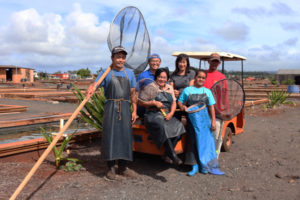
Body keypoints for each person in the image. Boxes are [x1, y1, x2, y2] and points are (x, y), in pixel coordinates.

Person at [86, 45, 137, 180]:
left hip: (126, 107)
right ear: (112, 58)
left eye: (123, 57)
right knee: (111, 136)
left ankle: (123, 168)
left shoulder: (130, 73)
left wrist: (134, 111)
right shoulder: (106, 72)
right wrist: (91, 88)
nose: (120, 60)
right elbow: (95, 84)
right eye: (118, 57)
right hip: (111, 106)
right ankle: (110, 170)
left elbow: (133, 94)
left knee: (125, 137)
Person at [178, 69, 225, 176]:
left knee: (205, 143)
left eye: (203, 78)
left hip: (204, 123)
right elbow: (180, 101)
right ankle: (194, 166)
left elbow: (212, 108)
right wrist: (183, 106)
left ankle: (204, 165)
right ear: (195, 78)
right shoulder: (188, 90)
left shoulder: (207, 92)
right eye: (199, 77)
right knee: (192, 143)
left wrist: (213, 121)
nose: (200, 79)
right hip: (191, 121)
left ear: (205, 80)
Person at [138, 68, 185, 165]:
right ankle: (173, 155)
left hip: (166, 114)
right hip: (152, 114)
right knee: (164, 127)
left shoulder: (169, 88)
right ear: (156, 77)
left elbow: (174, 103)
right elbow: (140, 102)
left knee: (180, 127)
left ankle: (167, 154)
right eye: (160, 77)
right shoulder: (150, 87)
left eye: (164, 77)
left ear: (167, 78)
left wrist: (171, 113)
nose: (162, 79)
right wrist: (153, 102)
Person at [169, 53, 195, 121]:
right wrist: (174, 92)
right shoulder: (173, 75)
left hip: (188, 100)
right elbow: (171, 88)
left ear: (187, 63)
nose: (182, 64)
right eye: (180, 62)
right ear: (177, 63)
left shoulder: (191, 73)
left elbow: (190, 89)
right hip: (176, 100)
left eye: (184, 62)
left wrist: (180, 94)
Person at [136, 53, 162, 118]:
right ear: (148, 62)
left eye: (157, 61)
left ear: (160, 62)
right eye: (153, 61)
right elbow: (135, 93)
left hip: (159, 111)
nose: (155, 63)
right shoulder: (142, 76)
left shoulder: (162, 75)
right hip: (143, 110)